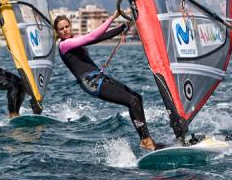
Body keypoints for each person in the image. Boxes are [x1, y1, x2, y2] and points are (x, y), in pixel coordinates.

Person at [54, 11, 157, 150]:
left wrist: (122, 27)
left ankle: (146, 139)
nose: (65, 30)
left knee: (137, 98)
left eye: (67, 26)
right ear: (57, 32)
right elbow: (93, 36)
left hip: (98, 77)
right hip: (91, 82)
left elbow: (99, 37)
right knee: (131, 102)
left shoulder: (75, 39)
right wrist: (113, 17)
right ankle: (145, 140)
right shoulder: (64, 45)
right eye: (61, 29)